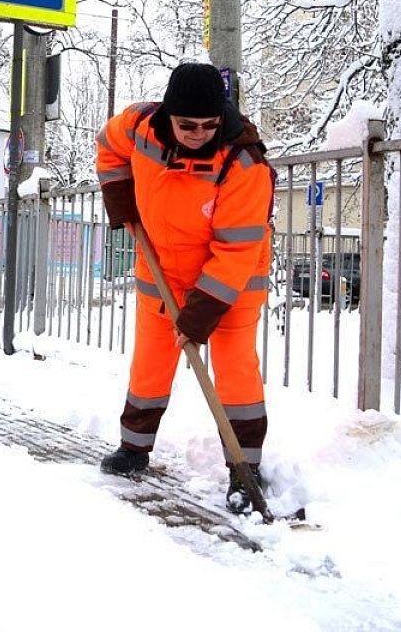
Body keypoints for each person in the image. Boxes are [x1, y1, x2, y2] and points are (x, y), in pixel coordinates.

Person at [95, 62, 275, 513]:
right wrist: (121, 200)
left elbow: (235, 251)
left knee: (235, 372)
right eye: (187, 125)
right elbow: (108, 147)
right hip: (161, 271)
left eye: (209, 125)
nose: (198, 133)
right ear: (168, 115)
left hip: (229, 285)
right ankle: (134, 448)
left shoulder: (243, 164)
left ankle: (245, 466)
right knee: (151, 364)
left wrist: (198, 316)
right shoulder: (139, 125)